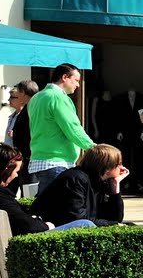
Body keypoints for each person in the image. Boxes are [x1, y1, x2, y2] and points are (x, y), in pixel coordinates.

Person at [26, 63, 93, 195]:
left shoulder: (36, 98)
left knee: (45, 207)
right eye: (76, 80)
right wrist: (94, 148)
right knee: (57, 209)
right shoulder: (58, 97)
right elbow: (72, 128)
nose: (78, 85)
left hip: (39, 158)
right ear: (64, 77)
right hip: (57, 161)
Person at [32, 143, 127, 228]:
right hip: (48, 227)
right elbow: (78, 219)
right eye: (119, 164)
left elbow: (115, 219)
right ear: (107, 167)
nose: (122, 168)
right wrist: (111, 224)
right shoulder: (76, 179)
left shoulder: (101, 181)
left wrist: (115, 186)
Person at [4, 79, 38, 157]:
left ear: (23, 93)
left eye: (18, 92)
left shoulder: (32, 109)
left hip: (29, 155)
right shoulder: (29, 108)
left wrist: (15, 135)